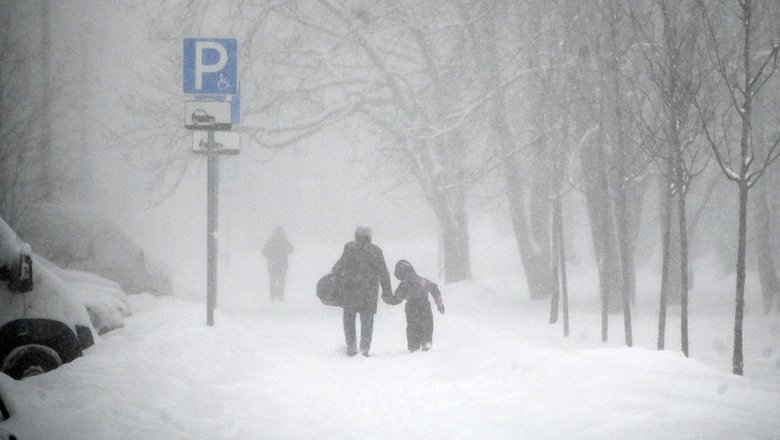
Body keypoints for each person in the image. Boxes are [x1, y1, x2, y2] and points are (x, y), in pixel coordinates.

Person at [331, 226, 392, 357]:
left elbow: (340, 265)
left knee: (349, 320)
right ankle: (364, 349)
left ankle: (351, 347)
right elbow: (383, 273)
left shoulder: (350, 248)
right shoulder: (376, 251)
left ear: (356, 235)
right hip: (369, 292)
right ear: (369, 236)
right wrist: (387, 293)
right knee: (367, 321)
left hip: (350, 291)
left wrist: (332, 279)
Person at [383, 260, 445, 353]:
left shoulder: (404, 284)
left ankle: (414, 346)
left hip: (411, 307)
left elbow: (397, 299)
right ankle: (426, 341)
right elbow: (434, 289)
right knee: (426, 324)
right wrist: (439, 304)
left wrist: (386, 298)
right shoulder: (422, 280)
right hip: (425, 305)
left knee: (412, 327)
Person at [262, 227, 294, 301]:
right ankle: (280, 296)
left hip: (272, 264)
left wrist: (270, 253)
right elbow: (291, 249)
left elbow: (264, 252)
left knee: (272, 280)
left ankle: (273, 296)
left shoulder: (270, 241)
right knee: (281, 280)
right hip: (282, 264)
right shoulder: (285, 241)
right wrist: (284, 252)